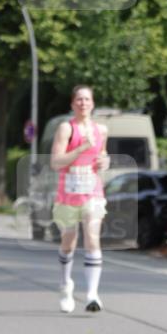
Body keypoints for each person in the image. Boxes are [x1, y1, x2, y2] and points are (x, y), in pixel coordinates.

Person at [50, 85, 110, 313]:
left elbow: (102, 155)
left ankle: (92, 294)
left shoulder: (101, 130)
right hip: (67, 194)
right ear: (72, 104)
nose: (83, 103)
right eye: (79, 100)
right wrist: (81, 148)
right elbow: (56, 162)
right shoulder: (66, 128)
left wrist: (105, 162)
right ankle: (66, 286)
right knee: (69, 242)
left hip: (92, 193)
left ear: (93, 104)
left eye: (87, 99)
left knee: (93, 238)